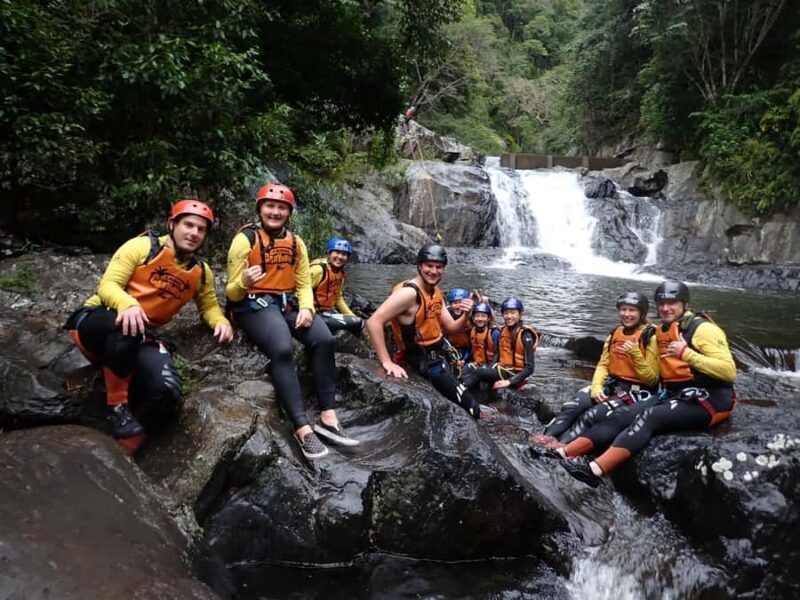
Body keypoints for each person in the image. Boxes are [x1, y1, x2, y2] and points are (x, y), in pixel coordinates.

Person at [65, 200, 233, 454]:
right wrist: (127, 304)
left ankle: (123, 448)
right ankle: (117, 408)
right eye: (188, 225)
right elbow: (108, 285)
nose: (194, 233)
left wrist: (220, 322)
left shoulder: (201, 272)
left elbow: (208, 306)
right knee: (129, 323)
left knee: (167, 389)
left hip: (138, 336)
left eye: (201, 229)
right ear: (172, 224)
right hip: (97, 323)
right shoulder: (142, 247)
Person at [226, 183, 358, 460]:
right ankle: (301, 427)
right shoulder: (245, 240)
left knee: (323, 338)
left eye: (281, 208)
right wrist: (243, 281)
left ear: (289, 213)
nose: (275, 212)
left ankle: (328, 415)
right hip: (251, 304)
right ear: (260, 209)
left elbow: (302, 285)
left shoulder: (296, 243)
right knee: (283, 347)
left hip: (285, 302)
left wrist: (308, 309)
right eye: (270, 206)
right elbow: (231, 292)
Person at [561, 280, 737, 487]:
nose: (665, 308)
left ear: (685, 304)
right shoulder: (660, 332)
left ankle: (594, 470)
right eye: (661, 303)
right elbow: (652, 377)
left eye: (672, 303)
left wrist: (687, 354)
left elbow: (729, 371)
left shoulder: (703, 329)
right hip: (675, 394)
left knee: (650, 416)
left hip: (712, 398)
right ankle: (563, 452)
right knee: (623, 415)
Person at [365, 243, 483, 419]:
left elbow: (450, 327)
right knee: (473, 408)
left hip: (438, 351)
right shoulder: (409, 293)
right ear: (419, 266)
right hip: (422, 359)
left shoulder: (435, 291)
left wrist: (467, 314)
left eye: (439, 267)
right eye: (429, 266)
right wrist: (386, 362)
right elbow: (373, 322)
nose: (433, 271)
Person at [532, 291, 658, 449]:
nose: (627, 314)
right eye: (623, 309)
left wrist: (636, 355)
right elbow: (604, 364)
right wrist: (597, 387)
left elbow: (651, 379)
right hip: (612, 385)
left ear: (642, 313)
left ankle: (562, 445)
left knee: (593, 414)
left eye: (632, 310)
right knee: (574, 405)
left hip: (636, 392)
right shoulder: (615, 333)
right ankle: (547, 436)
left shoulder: (650, 337)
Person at [460, 297, 538, 391]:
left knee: (479, 372)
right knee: (479, 375)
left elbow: (530, 368)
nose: (509, 316)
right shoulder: (504, 330)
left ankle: (461, 389)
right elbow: (497, 354)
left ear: (520, 314)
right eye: (506, 313)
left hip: (515, 374)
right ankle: (462, 386)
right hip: (502, 370)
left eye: (513, 313)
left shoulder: (525, 335)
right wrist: (487, 369)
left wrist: (509, 381)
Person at [309, 237, 364, 335]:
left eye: (344, 254)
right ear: (329, 254)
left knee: (357, 321)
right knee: (357, 323)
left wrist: (352, 316)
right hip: (314, 313)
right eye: (337, 252)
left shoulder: (339, 274)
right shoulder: (318, 270)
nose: (340, 257)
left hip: (327, 311)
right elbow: (301, 292)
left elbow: (338, 298)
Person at [465, 302, 501, 370]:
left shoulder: (494, 333)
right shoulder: (472, 330)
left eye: (483, 316)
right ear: (473, 318)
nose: (480, 319)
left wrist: (489, 368)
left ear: (488, 318)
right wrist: (464, 360)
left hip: (490, 366)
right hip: (476, 363)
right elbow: (471, 350)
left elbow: (498, 353)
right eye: (477, 316)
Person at [445, 288, 473, 364]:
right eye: (455, 303)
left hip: (466, 350)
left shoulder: (472, 319)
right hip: (449, 349)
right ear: (450, 305)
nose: (458, 306)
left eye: (460, 303)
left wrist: (465, 359)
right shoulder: (445, 317)